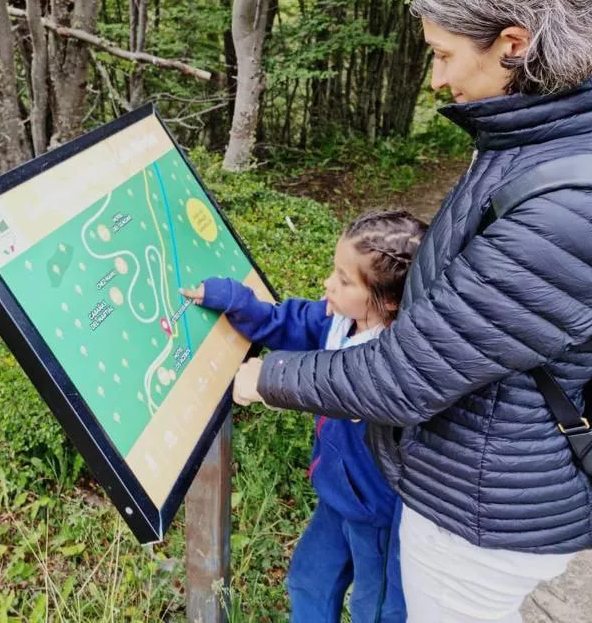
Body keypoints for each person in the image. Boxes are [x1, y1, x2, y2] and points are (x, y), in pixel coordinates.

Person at [231, 0, 592, 622]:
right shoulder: (558, 129)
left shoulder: (573, 205)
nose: (437, 79)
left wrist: (265, 377)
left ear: (515, 43)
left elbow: (405, 376)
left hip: (484, 509)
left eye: (444, 54)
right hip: (493, 473)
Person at [182, 209, 427, 622]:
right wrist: (237, 301)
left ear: (388, 300)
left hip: (379, 516)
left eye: (344, 280)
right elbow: (286, 322)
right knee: (308, 582)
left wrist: (269, 381)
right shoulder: (338, 321)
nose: (328, 284)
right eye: (334, 270)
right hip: (335, 497)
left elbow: (345, 390)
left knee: (375, 609)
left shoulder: (396, 363)